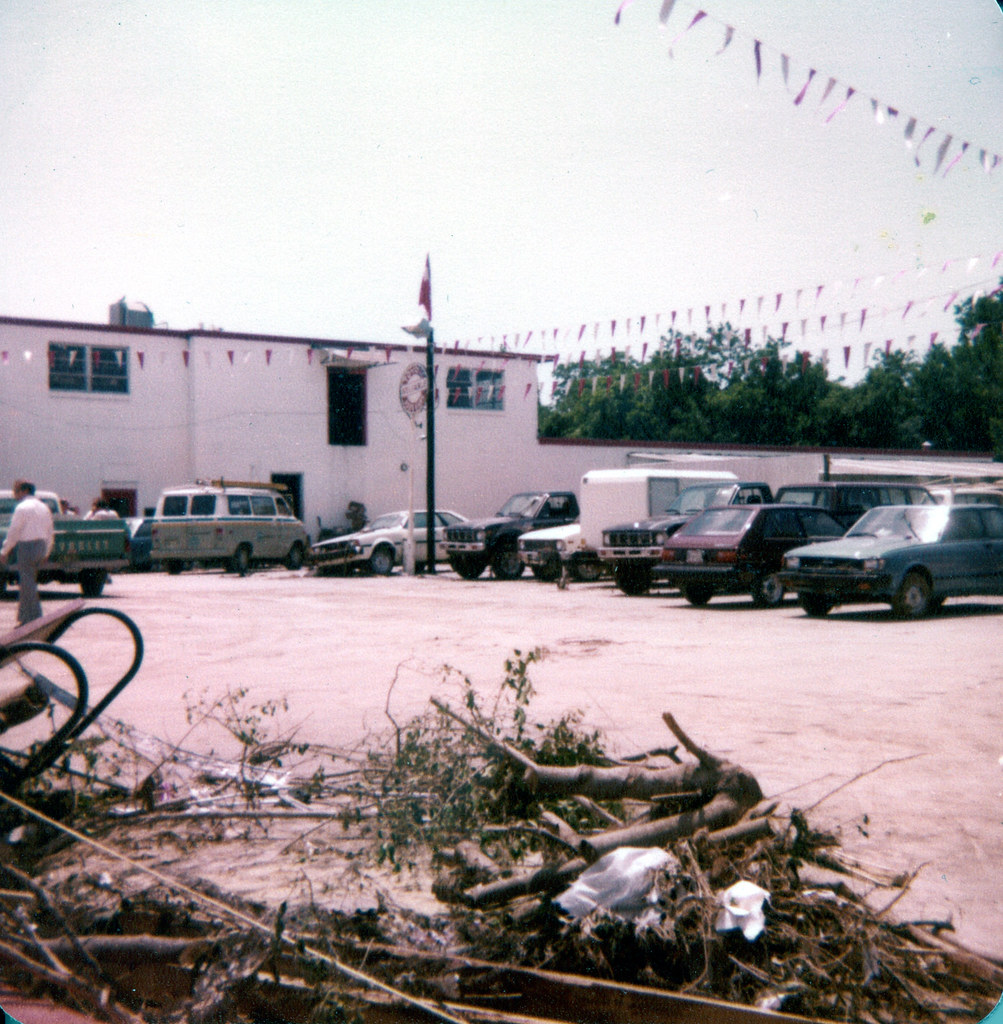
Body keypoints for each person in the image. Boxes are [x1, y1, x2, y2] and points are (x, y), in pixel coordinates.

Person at [0, 480, 55, 625]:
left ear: (24, 491)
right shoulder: (44, 507)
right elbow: (50, 532)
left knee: (27, 583)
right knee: (28, 582)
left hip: (27, 546)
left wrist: (5, 550)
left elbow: (14, 532)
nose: (14, 494)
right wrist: (47, 552)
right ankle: (24, 617)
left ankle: (34, 617)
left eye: (16, 490)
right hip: (41, 546)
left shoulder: (22, 507)